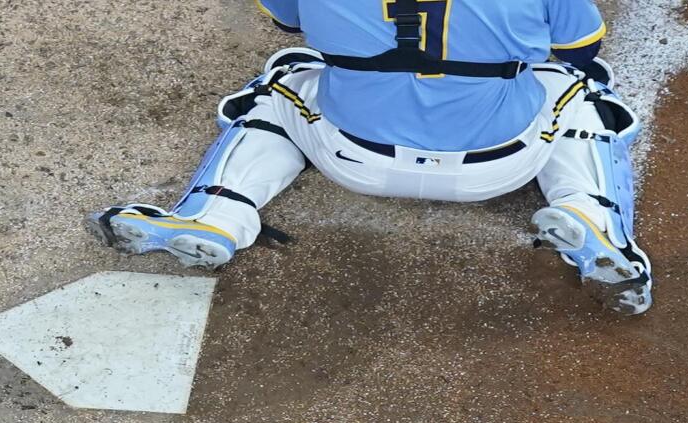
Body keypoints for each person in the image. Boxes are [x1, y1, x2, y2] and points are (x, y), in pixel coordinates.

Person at [87, 0, 653, 315]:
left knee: (282, 84)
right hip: (497, 163)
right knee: (577, 89)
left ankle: (217, 215)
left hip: (350, 153)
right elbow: (581, 48)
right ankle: (591, 217)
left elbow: (288, 20)